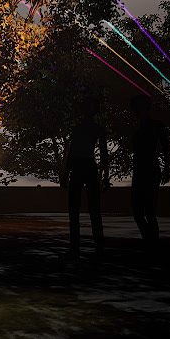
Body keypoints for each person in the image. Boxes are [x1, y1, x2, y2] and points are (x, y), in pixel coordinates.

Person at [59, 97, 110, 252]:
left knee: (84, 209)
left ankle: (82, 245)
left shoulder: (85, 129)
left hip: (84, 166)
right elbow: (73, 152)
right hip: (84, 166)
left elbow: (103, 154)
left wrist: (106, 176)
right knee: (84, 209)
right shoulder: (89, 128)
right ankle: (93, 244)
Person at [128, 93, 170, 244]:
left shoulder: (155, 125)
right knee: (140, 212)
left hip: (149, 168)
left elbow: (166, 147)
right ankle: (151, 241)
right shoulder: (138, 127)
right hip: (141, 169)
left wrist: (167, 168)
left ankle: (151, 242)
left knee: (148, 211)